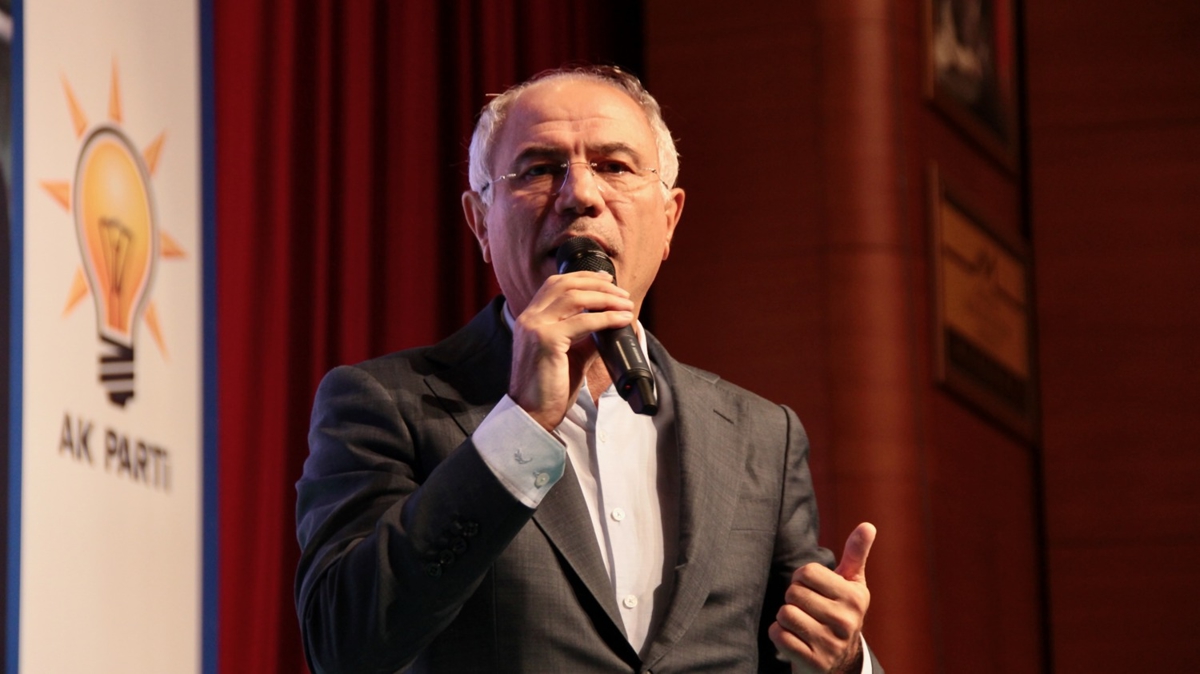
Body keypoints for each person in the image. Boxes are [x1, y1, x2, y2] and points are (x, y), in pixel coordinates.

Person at [295, 65, 883, 674]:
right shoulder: (385, 403)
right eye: (539, 169)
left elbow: (795, 648)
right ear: (480, 222)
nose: (580, 194)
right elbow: (342, 644)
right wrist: (521, 423)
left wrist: (844, 660)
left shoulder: (761, 434)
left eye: (614, 166)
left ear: (669, 221)